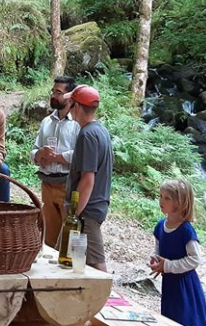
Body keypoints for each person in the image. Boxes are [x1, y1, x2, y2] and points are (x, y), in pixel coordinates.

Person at [64, 84, 113, 272]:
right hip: (90, 209)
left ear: (76, 106)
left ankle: (106, 301)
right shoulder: (100, 130)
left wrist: (75, 214)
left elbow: (87, 179)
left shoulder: (87, 135)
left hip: (87, 212)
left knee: (95, 263)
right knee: (77, 263)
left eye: (70, 102)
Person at [149, 179, 206, 326]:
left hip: (185, 286)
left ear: (179, 203)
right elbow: (159, 249)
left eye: (167, 198)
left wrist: (168, 266)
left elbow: (195, 259)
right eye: (160, 196)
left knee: (185, 319)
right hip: (170, 284)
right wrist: (156, 261)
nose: (161, 200)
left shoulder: (186, 231)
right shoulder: (160, 226)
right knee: (170, 320)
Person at [31, 76, 80, 248]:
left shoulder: (77, 124)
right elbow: (33, 151)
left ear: (70, 97)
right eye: (53, 91)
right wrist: (40, 154)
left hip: (67, 184)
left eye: (58, 92)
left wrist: (58, 157)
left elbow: (82, 155)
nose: (53, 95)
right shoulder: (46, 122)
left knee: (68, 237)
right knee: (49, 237)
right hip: (46, 184)